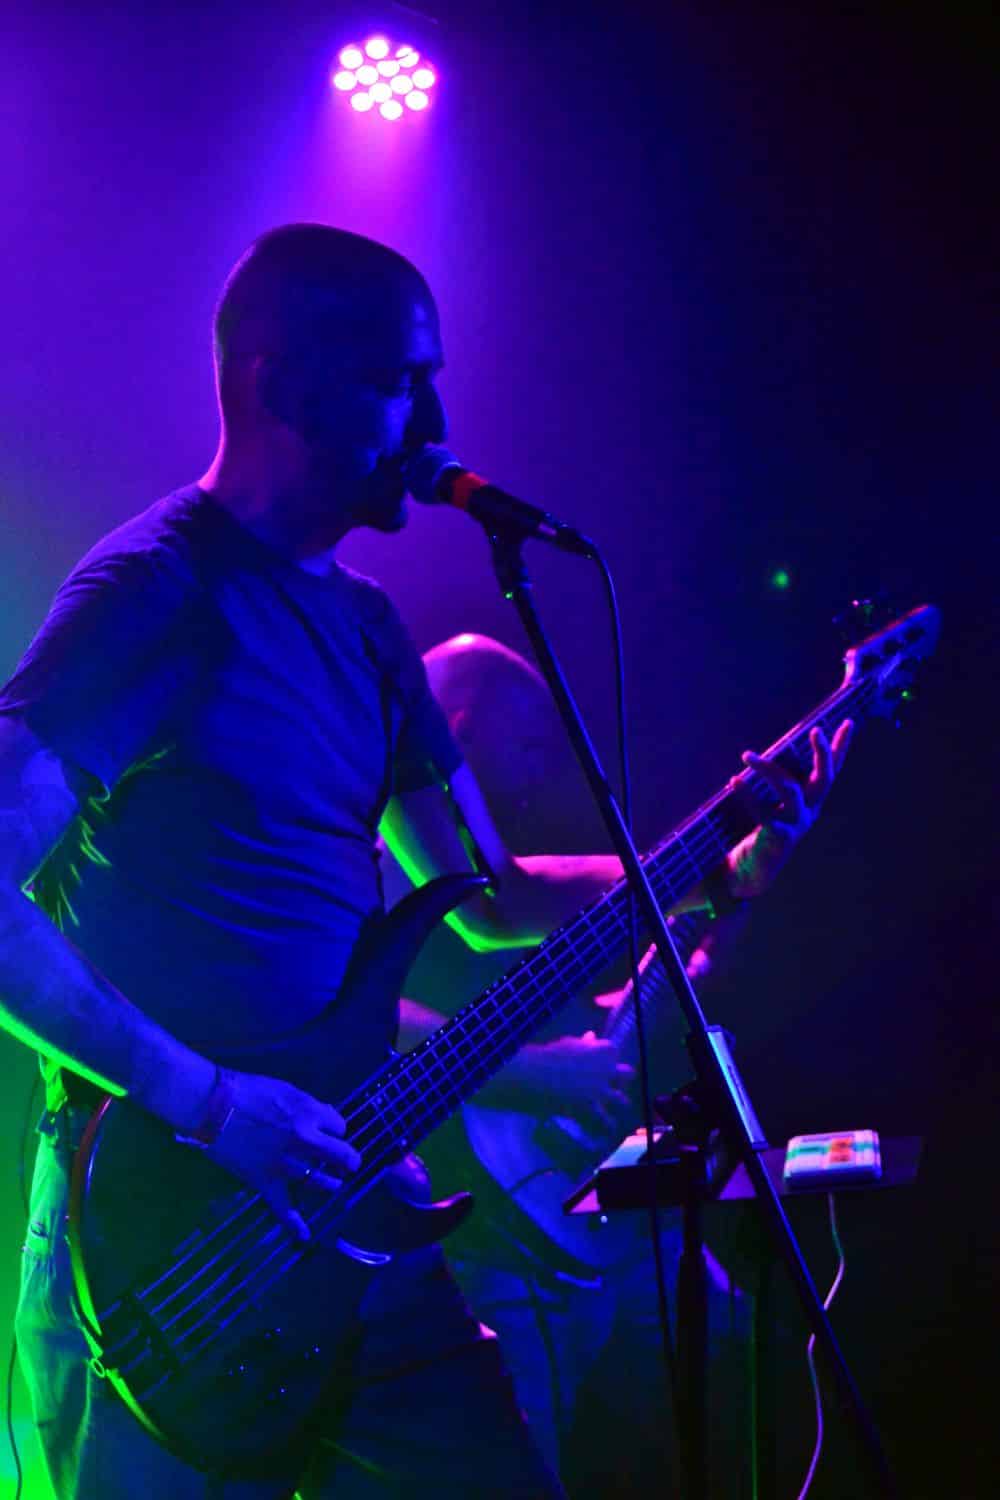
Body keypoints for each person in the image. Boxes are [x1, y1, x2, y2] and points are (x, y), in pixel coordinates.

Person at [0, 223, 849, 1500]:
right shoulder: (156, 593)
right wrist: (214, 1104)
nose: (438, 424)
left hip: (346, 1204)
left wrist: (706, 866)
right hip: (158, 1231)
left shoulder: (367, 627)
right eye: (400, 382)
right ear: (276, 383)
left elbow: (487, 898)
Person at [386, 634, 846, 1494]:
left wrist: (734, 880)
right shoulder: (382, 824)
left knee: (760, 1376)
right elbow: (374, 1013)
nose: (538, 768)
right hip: (482, 1234)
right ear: (459, 725)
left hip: (596, 1204)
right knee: (518, 1469)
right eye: (525, 743)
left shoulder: (506, 840)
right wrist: (538, 1075)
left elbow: (609, 974)